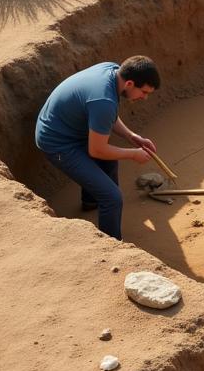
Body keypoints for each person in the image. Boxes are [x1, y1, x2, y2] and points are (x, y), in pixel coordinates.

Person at [34, 56, 160, 241]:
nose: (144, 97)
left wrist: (132, 136)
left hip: (70, 128)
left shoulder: (113, 71)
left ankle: (91, 201)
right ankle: (112, 245)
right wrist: (134, 154)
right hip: (57, 143)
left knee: (109, 163)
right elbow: (97, 150)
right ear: (130, 83)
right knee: (112, 198)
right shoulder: (104, 101)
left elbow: (108, 115)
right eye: (143, 92)